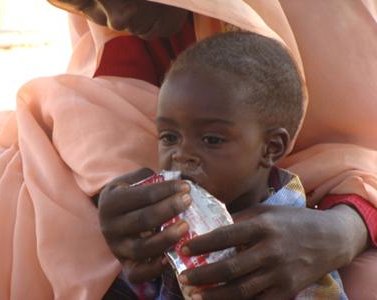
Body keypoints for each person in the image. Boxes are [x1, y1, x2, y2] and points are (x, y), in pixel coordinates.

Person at [0, 0, 376, 299]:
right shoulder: (117, 43)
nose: (113, 19)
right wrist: (111, 203)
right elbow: (96, 121)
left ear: (275, 144)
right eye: (84, 4)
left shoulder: (331, 24)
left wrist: (347, 228)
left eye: (213, 138)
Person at [100, 30, 348, 300]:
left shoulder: (292, 248)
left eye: (211, 139)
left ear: (271, 147)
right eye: (169, 137)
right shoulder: (162, 216)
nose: (181, 156)